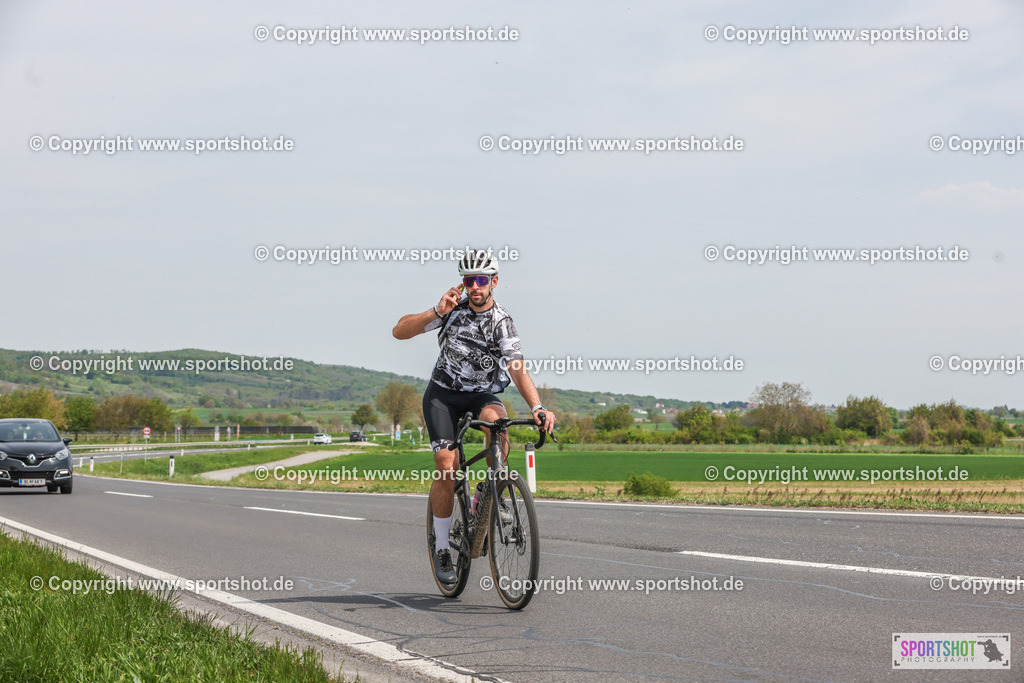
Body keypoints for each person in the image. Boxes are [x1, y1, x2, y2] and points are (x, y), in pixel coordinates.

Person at [392, 249, 555, 584]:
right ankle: (441, 547)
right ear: (462, 283)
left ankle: (488, 492)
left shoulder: (501, 322)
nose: (475, 286)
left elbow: (517, 368)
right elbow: (399, 331)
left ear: (494, 282)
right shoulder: (452, 310)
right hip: (443, 395)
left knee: (500, 424)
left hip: (479, 394)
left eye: (481, 280)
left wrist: (537, 407)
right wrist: (436, 311)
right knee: (446, 465)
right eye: (469, 280)